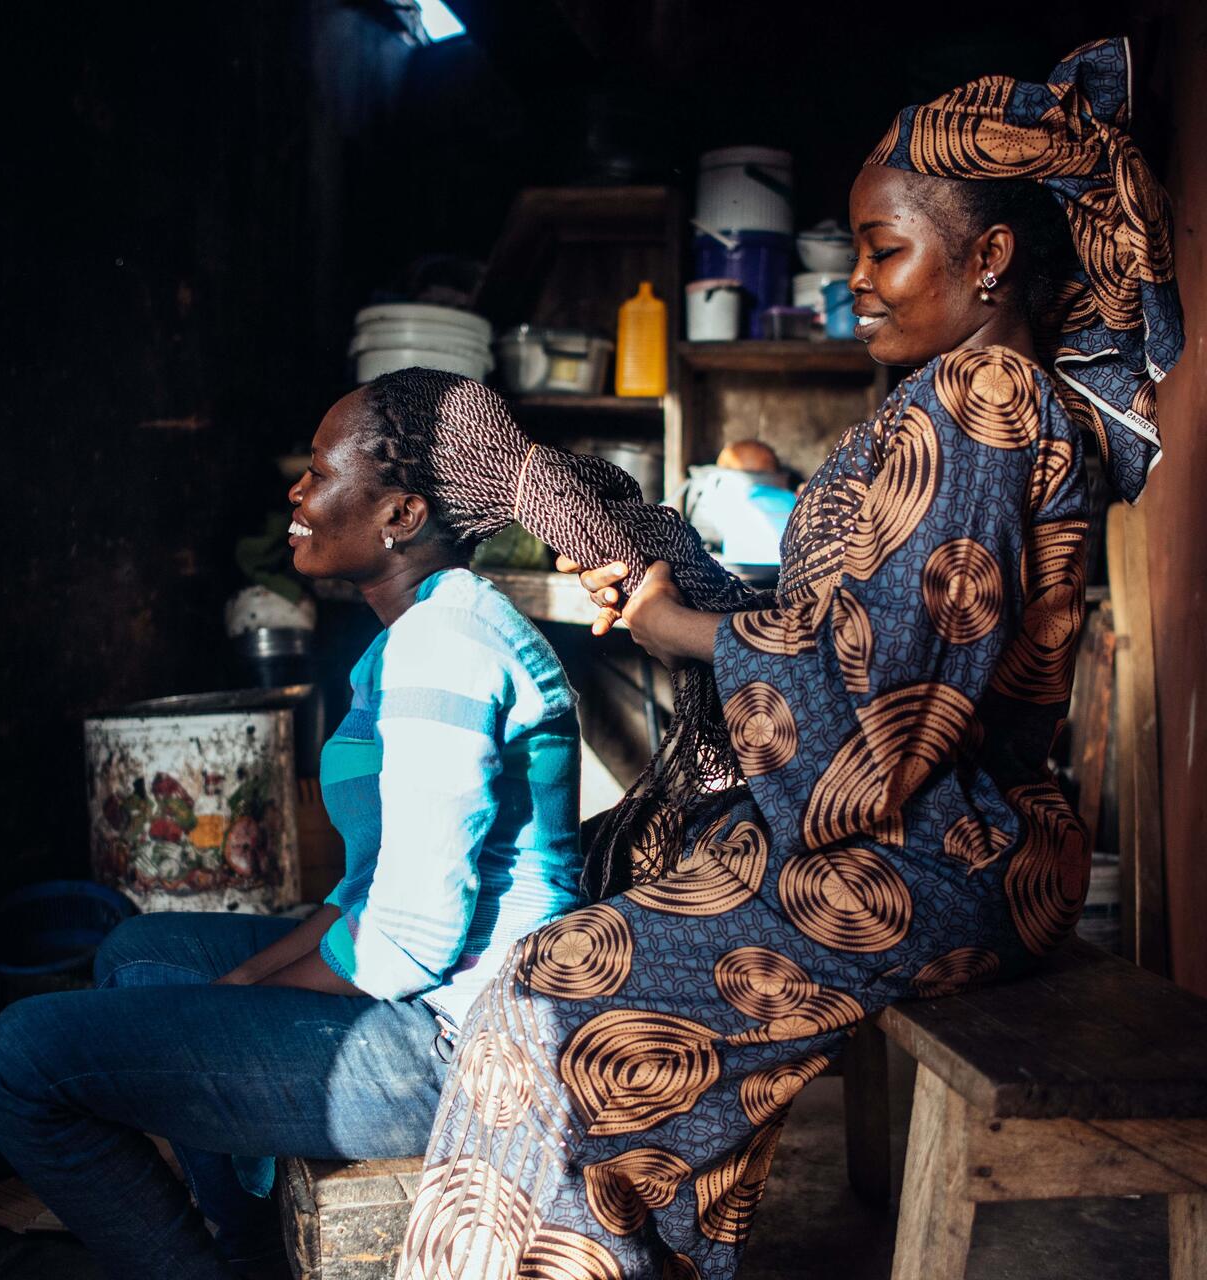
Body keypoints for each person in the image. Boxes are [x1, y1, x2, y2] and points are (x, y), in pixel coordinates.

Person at [394, 37, 1184, 1280]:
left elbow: (887, 707)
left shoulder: (983, 399)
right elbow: (847, 624)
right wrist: (669, 571)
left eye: (885, 249)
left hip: (941, 844)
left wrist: (679, 627)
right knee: (563, 992)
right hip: (908, 838)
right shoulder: (949, 398)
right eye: (857, 248)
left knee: (549, 1003)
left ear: (986, 260)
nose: (858, 281)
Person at [0, 373, 587, 1279]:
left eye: (318, 470)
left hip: (461, 1044)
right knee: (139, 957)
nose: (298, 494)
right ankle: (253, 1248)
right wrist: (245, 980)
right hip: (427, 991)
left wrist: (242, 1001)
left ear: (401, 514)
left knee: (20, 1060)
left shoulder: (446, 647)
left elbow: (409, 943)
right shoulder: (412, 634)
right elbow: (370, 890)